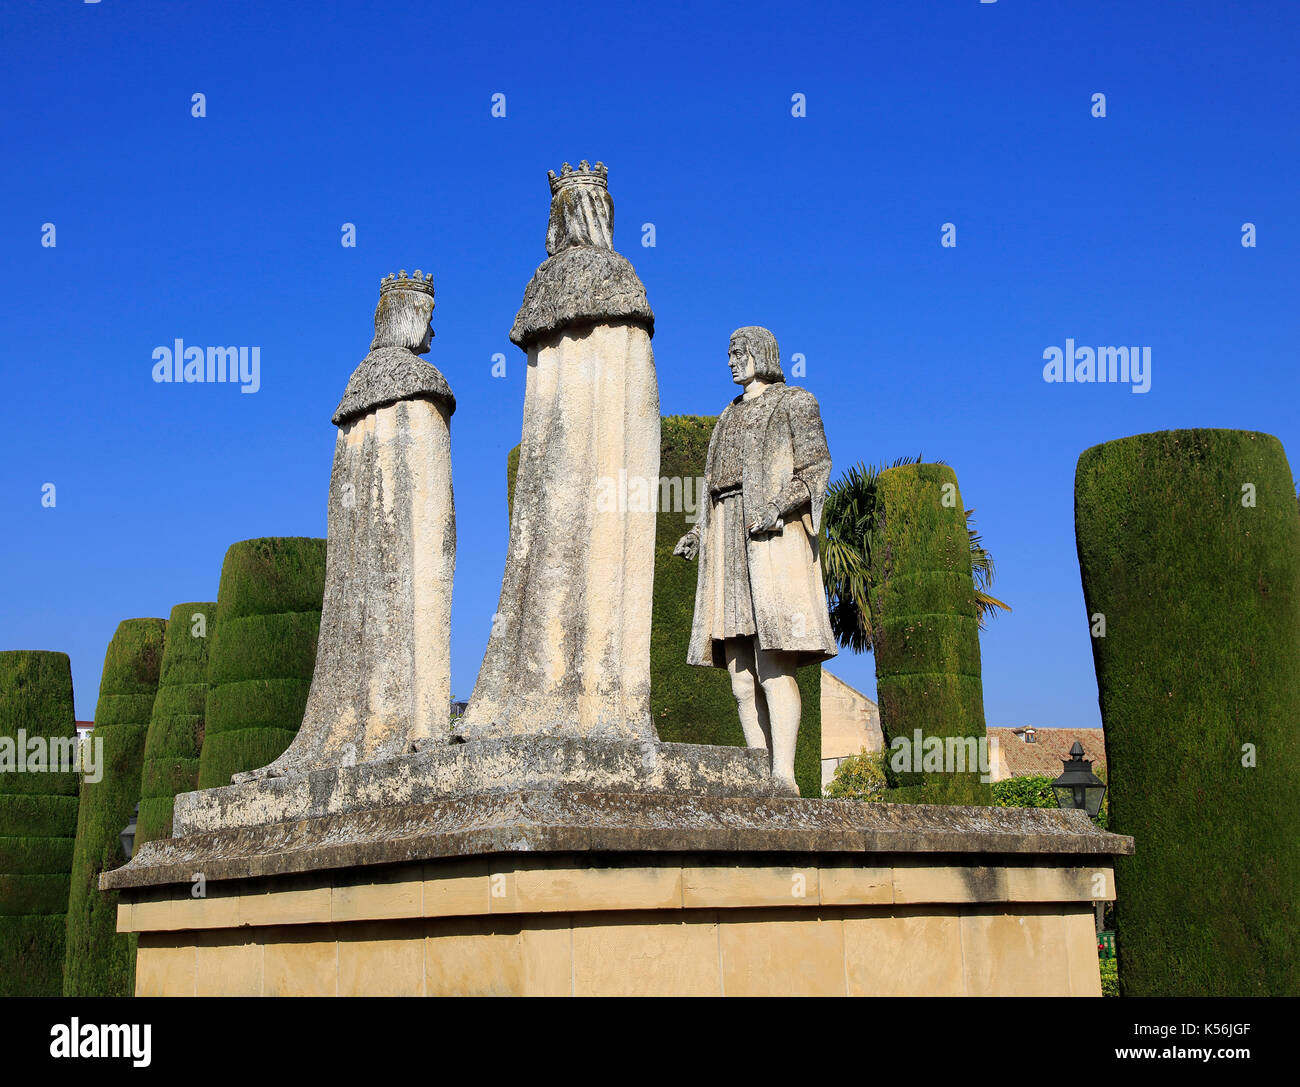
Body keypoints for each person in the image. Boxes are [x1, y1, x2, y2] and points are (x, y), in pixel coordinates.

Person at [674, 326, 836, 790]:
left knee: (773, 665)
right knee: (740, 677)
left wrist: (777, 508)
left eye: (738, 353)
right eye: (728, 353)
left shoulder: (795, 401)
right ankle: (758, 776)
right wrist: (698, 533)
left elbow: (816, 471)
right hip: (726, 533)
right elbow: (715, 489)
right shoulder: (727, 416)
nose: (730, 361)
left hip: (769, 540)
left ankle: (784, 775)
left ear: (762, 354)